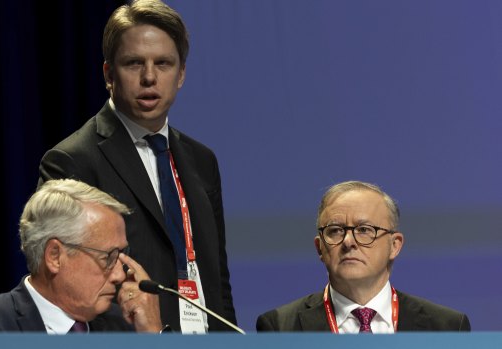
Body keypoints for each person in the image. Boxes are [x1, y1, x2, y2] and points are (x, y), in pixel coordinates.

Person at [38, 0, 235, 333]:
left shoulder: (203, 161)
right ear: (108, 74)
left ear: (181, 74)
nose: (149, 77)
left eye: (163, 63)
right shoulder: (72, 160)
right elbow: (68, 288)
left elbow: (217, 277)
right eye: (134, 63)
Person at [0, 179, 163, 333]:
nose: (119, 275)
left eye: (121, 255)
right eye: (108, 257)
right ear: (54, 257)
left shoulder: (126, 326)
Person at [257, 180, 471, 333]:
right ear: (319, 247)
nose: (348, 241)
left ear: (394, 246)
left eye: (364, 230)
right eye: (335, 230)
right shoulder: (280, 328)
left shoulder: (447, 328)